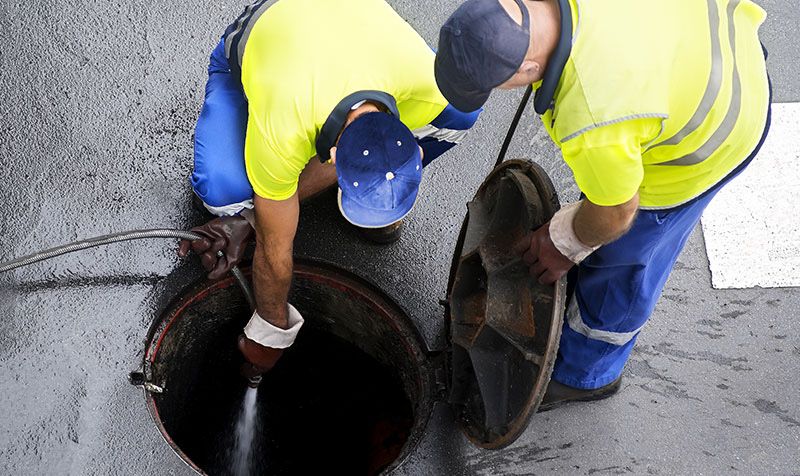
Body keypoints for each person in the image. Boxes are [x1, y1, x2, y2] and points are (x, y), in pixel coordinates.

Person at [434, 0, 770, 410]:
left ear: (526, 70)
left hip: (719, 124)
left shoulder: (595, 117)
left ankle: (587, 374)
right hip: (714, 41)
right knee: (604, 189)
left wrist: (566, 243)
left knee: (619, 263)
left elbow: (617, 213)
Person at [178, 0, 480, 380]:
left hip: (342, 28)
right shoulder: (283, 127)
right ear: (334, 156)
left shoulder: (432, 89)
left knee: (459, 116)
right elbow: (274, 251)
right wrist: (269, 334)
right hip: (263, 34)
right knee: (224, 197)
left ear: (412, 145)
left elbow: (465, 100)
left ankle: (362, 196)